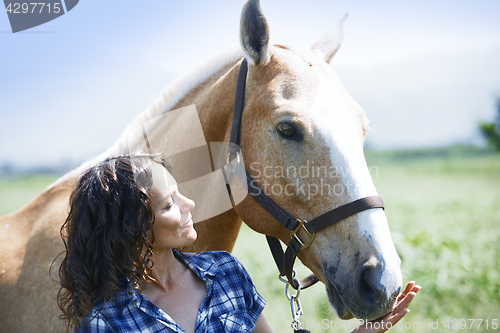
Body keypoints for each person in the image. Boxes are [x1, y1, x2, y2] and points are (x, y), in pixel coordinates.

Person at [57, 154, 419, 333]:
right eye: (168, 204)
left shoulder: (226, 272)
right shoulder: (105, 324)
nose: (190, 206)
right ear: (130, 226)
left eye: (181, 193)